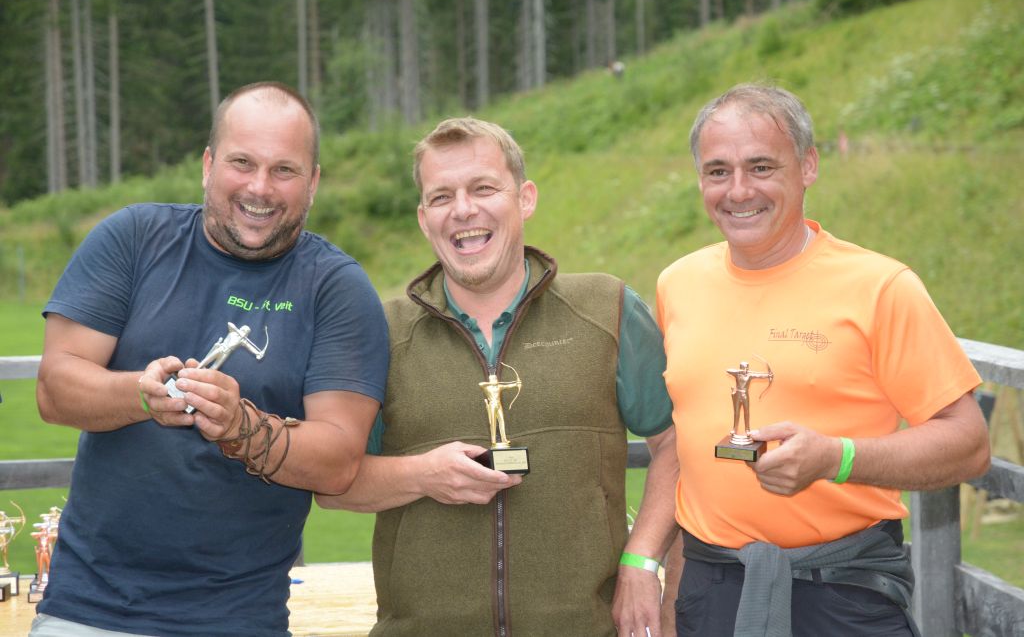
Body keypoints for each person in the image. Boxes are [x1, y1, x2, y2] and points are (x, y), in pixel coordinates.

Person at [33, 82, 389, 637]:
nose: (259, 188)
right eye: (241, 163)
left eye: (284, 170)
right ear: (208, 164)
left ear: (313, 182)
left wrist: (242, 427)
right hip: (90, 610)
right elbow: (55, 389)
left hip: (241, 618)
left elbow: (340, 460)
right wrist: (142, 396)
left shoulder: (336, 288)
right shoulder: (132, 238)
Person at [316, 117, 680, 636]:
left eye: (484, 188)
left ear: (525, 198)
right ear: (424, 218)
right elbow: (332, 484)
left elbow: (675, 441)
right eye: (442, 197)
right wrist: (423, 476)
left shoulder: (608, 309)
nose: (463, 210)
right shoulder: (380, 333)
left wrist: (641, 561)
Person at [656, 83, 991, 636]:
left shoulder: (881, 287)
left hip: (843, 591)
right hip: (711, 592)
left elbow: (969, 441)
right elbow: (684, 451)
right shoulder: (678, 284)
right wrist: (669, 590)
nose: (738, 190)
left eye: (761, 166)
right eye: (718, 171)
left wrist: (836, 458)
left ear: (808, 165)